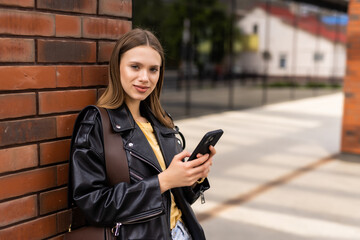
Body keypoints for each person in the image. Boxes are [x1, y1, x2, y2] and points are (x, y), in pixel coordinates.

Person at [69, 28, 216, 240]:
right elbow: (94, 205)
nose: (144, 78)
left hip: (182, 232)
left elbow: (172, 199)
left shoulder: (161, 122)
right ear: (117, 67)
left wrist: (193, 177)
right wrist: (162, 181)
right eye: (135, 67)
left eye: (153, 69)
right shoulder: (96, 123)